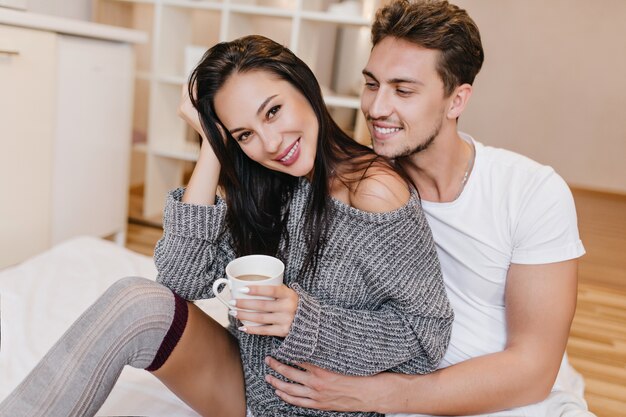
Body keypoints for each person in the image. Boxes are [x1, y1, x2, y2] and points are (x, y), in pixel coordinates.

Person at [0, 35, 454, 417]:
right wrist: (212, 147)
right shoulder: (270, 182)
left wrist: (307, 321)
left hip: (316, 405)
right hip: (252, 385)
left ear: (304, 86)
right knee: (137, 300)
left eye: (273, 111)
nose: (271, 144)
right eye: (244, 135)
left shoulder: (373, 192)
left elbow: (426, 335)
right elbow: (179, 280)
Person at [263, 1, 594, 416]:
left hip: (511, 402)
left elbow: (532, 370)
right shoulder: (357, 192)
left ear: (457, 100)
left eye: (403, 90)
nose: (377, 108)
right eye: (371, 84)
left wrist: (369, 394)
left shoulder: (530, 191)